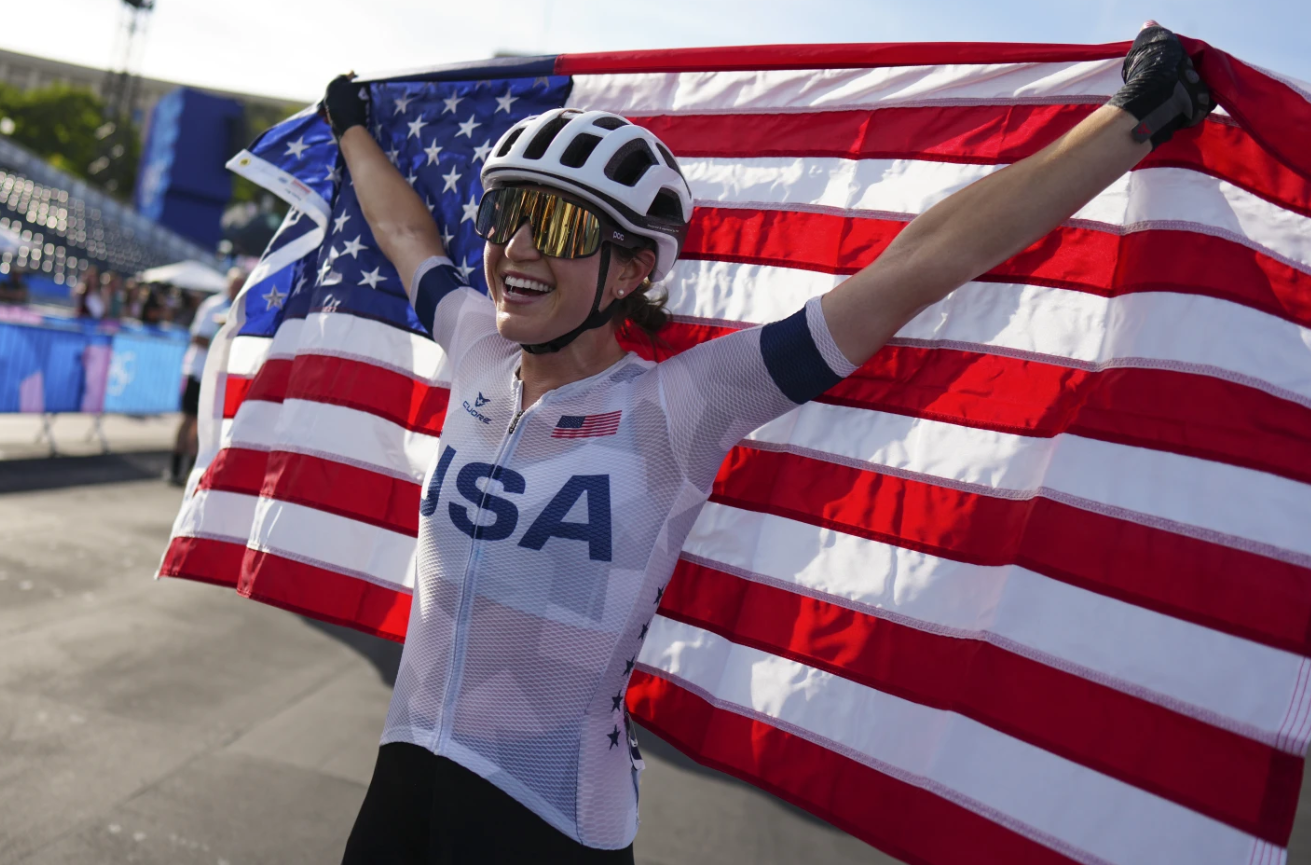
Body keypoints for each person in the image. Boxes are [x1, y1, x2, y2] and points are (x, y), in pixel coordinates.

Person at [325, 25, 1212, 864]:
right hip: (402, 774)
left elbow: (914, 267)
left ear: (634, 271)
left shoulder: (681, 402)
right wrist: (352, 128)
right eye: (508, 212)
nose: (515, 246)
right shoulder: (477, 339)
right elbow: (406, 234)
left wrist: (1130, 122)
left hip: (547, 813)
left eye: (558, 228)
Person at [167, 267, 245, 485]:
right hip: (200, 372)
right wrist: (220, 337)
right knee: (189, 419)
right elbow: (197, 337)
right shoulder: (213, 306)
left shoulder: (243, 308)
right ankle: (175, 467)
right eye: (235, 284)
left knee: (204, 424)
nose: (237, 289)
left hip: (219, 376)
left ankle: (193, 470)